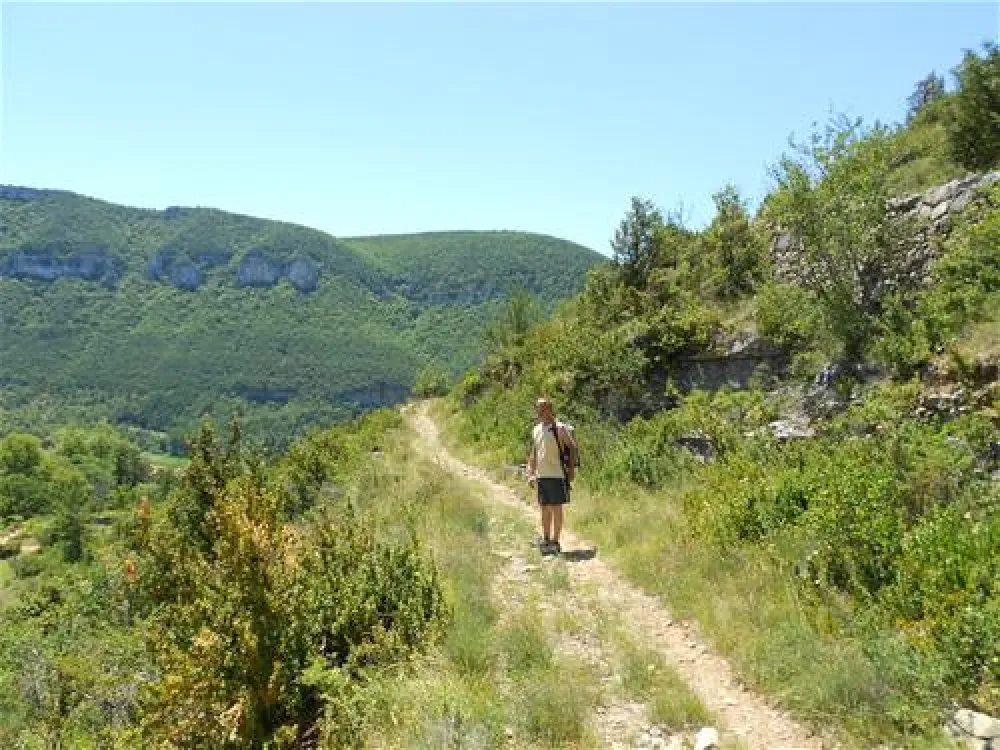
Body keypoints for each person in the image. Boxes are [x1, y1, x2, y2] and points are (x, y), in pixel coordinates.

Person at [526, 397, 577, 555]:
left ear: (549, 409)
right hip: (541, 475)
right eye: (537, 408)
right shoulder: (536, 429)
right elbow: (534, 452)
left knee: (556, 508)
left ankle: (555, 541)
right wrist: (531, 472)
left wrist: (571, 470)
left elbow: (572, 448)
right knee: (544, 509)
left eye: (542, 408)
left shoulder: (559, 428)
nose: (539, 411)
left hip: (557, 474)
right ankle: (546, 540)